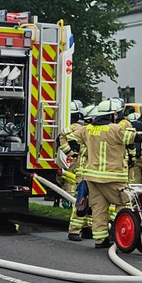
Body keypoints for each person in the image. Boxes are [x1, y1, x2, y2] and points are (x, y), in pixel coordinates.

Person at [80, 99, 136, 249]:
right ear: (113, 115)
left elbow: (71, 135)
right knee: (123, 204)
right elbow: (132, 138)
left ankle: (100, 240)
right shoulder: (115, 129)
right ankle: (123, 234)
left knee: (98, 208)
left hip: (91, 177)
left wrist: (71, 150)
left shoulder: (88, 129)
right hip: (113, 177)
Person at [57, 101, 91, 241]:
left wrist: (69, 152)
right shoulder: (80, 128)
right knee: (82, 200)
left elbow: (61, 138)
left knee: (92, 202)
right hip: (83, 169)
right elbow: (62, 137)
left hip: (90, 170)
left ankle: (87, 228)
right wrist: (71, 153)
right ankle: (75, 230)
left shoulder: (86, 129)